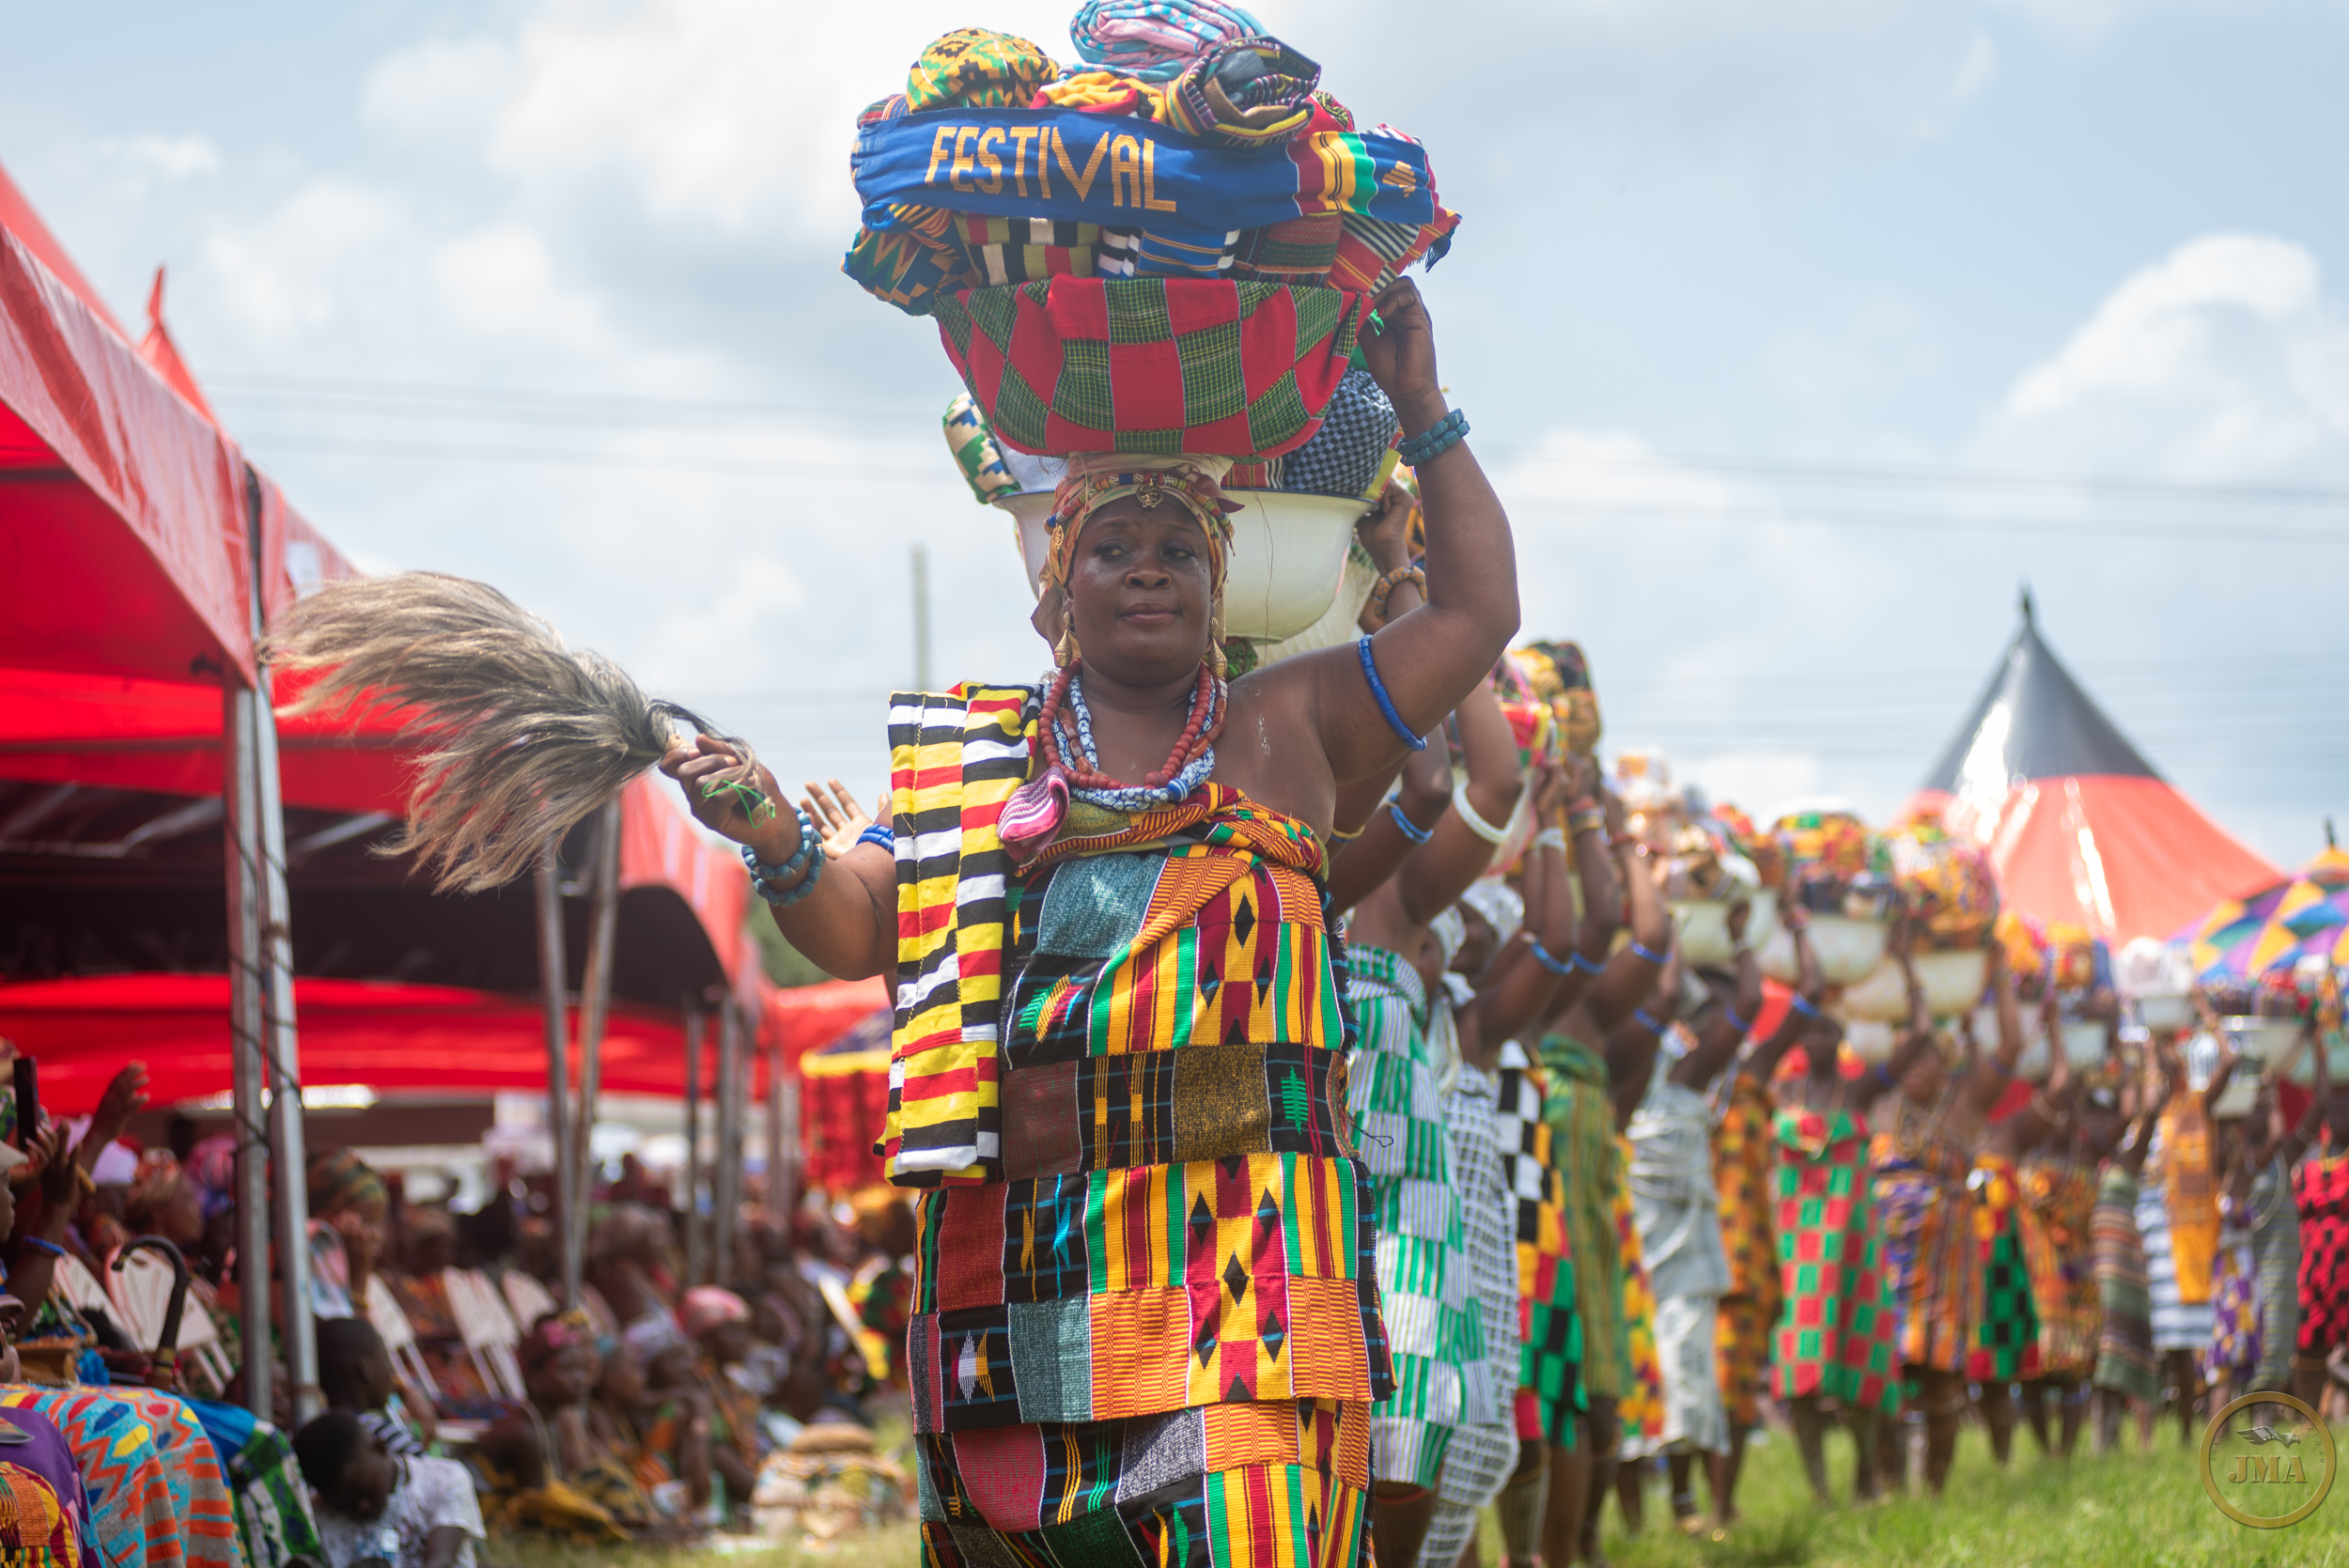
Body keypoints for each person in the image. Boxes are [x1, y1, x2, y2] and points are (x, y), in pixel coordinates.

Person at [662, 276, 1517, 1568]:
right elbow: (856, 929)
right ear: (1058, 585)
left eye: (1179, 549)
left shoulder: (1285, 726)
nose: (1149, 572)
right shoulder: (979, 761)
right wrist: (779, 838)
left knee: (1259, 1533)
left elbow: (1474, 618)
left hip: (1256, 1266)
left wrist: (1425, 408)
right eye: (1114, 547)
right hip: (1034, 1275)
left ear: (1220, 581)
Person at [1338, 676, 1522, 1568]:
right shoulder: (1240, 847)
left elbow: (1483, 784)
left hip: (1400, 1185)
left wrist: (1405, 594)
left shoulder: (1402, 885)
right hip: (1272, 1155)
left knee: (1406, 1418)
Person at [1486, 753, 1617, 1568]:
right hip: (1411, 1138)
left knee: (1544, 1381)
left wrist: (1570, 812)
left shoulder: (1527, 997)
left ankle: (1551, 1555)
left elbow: (1582, 930)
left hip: (1516, 1160)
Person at [1533, 802, 1669, 1566]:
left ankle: (1579, 1544)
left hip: (1580, 1204)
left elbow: (1647, 937)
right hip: (1518, 1188)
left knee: (1594, 1391)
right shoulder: (1515, 987)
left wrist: (1604, 823)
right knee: (1555, 1388)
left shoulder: (1584, 1005)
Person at [1745, 912, 1912, 1503]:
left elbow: (1917, 1040)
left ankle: (1866, 1470)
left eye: (1825, 1031)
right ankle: (1819, 1487)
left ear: (1839, 1035)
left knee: (1858, 1369)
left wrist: (1906, 962)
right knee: (1798, 1374)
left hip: (1852, 1245)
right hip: (1794, 1245)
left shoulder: (1859, 1089)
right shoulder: (1780, 1092)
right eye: (1806, 1031)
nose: (1814, 1040)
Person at [1867, 937, 2023, 1495]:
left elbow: (2011, 1042)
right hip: (1886, 1261)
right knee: (1886, 1374)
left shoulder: (1965, 1105)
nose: (1915, 1065)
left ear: (1947, 1061)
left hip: (1946, 1264)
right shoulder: (1878, 1102)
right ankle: (1887, 1484)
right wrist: (1906, 966)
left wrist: (2001, 974)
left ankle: (1934, 1488)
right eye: (1907, 1055)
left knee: (1941, 1377)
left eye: (1926, 1055)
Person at [1626, 922, 1765, 1533]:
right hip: (1629, 1242)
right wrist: (1668, 926)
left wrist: (1736, 935)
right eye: (1698, 1005)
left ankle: (1694, 1506)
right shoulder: (1633, 1062)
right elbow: (1656, 993)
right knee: (1628, 1374)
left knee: (1684, 1368)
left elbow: (1753, 1003)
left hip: (1682, 1257)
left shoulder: (1695, 1076)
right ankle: (1626, 1523)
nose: (1711, 1022)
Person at [2138, 1027, 2235, 1447]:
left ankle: (2214, 1431)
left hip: (2194, 1240)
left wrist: (2206, 1013)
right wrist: (2147, 1055)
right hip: (2158, 1245)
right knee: (2173, 1346)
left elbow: (2229, 1063)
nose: (2164, 1071)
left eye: (2170, 1063)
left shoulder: (2196, 1106)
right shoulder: (2146, 1116)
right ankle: (2182, 1431)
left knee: (2204, 1342)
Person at [2015, 1011, 2105, 1458]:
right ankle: (2048, 1449)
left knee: (2074, 1370)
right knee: (2034, 1369)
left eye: (2069, 1112)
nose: (2062, 1119)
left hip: (2073, 1278)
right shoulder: (2022, 1160)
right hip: (2036, 1276)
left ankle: (2065, 1452)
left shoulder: (2082, 1162)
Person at [2091, 1048, 2170, 1453]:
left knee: (2129, 1344)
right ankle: (2103, 1438)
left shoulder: (2130, 1156)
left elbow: (2150, 1110)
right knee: (2103, 1349)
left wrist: (2148, 1062)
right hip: (2097, 1263)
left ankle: (2143, 1441)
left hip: (2124, 1263)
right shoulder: (2093, 1158)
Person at [293, 1411, 483, 1568]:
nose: (363, 1506)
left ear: (379, 1447)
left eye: (365, 1491)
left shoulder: (443, 1479)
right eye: (343, 1503)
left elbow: (441, 1560)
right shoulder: (321, 1515)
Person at [2290, 1032, 2346, 1414]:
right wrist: (2318, 1049)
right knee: (2307, 1343)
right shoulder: (2311, 1154)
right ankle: (2307, 1417)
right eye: (2334, 1108)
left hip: (2346, 1268)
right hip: (2313, 1268)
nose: (2339, 1115)